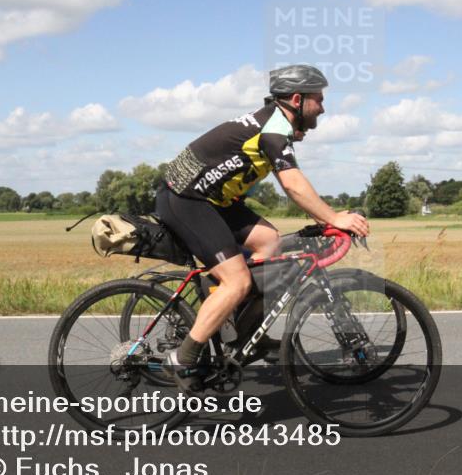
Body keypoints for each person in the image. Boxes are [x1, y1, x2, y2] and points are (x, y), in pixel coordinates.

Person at [155, 64, 369, 392]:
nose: (323, 108)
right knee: (238, 281)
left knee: (270, 243)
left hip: (214, 201)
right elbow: (294, 186)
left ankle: (242, 334)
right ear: (297, 100)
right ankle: (183, 359)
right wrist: (333, 218)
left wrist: (325, 216)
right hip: (185, 200)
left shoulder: (273, 123)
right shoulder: (272, 129)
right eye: (319, 100)